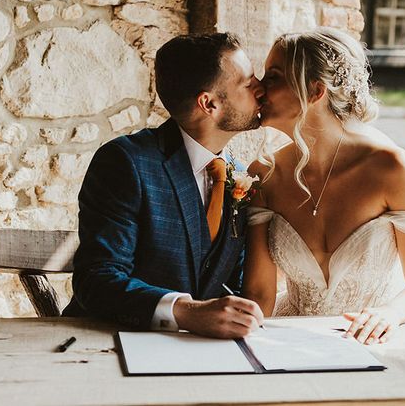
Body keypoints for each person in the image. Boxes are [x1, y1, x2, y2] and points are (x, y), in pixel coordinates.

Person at [242, 27, 405, 344]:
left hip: (371, 339)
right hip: (289, 338)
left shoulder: (391, 167)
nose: (259, 89)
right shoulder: (264, 173)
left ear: (315, 92)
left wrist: (390, 313)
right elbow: (259, 291)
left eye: (274, 77)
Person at [62, 33, 266, 338]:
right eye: (248, 83)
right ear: (208, 103)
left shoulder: (238, 173)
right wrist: (186, 312)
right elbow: (97, 280)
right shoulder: (126, 162)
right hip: (109, 346)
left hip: (200, 355)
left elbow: (230, 279)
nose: (261, 89)